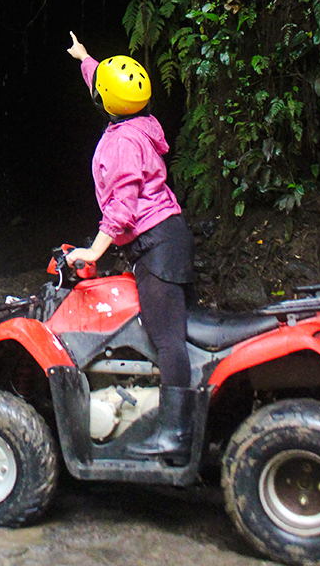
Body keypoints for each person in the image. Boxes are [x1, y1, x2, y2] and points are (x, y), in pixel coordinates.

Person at [63, 30, 196, 464]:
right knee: (170, 331)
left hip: (157, 243)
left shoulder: (121, 143)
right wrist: (85, 58)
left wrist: (94, 251)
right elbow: (106, 84)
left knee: (168, 338)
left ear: (107, 103)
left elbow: (122, 207)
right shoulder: (139, 120)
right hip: (166, 235)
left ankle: (175, 434)